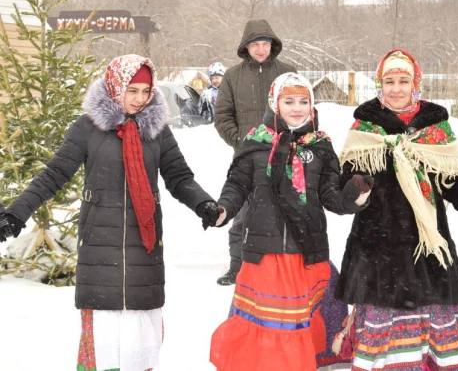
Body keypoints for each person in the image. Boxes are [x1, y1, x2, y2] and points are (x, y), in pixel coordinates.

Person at [0, 54, 220, 371]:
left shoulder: (158, 130)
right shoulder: (88, 127)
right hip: (99, 245)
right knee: (103, 344)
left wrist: (204, 204)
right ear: (115, 86)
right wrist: (16, 213)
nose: (140, 99)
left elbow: (179, 177)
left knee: (139, 340)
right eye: (133, 90)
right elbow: (54, 175)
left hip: (143, 251)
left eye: (146, 91)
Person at [335, 49, 458, 371]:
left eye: (403, 80)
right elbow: (345, 181)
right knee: (384, 325)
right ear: (379, 85)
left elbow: (450, 180)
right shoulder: (366, 128)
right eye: (389, 81)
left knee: (433, 318)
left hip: (428, 247)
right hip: (378, 248)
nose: (396, 88)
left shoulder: (435, 129)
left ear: (415, 83)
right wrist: (355, 187)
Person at [209, 72, 373, 371]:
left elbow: (331, 197)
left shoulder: (321, 146)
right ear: (275, 103)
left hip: (304, 254)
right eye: (289, 101)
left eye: (303, 101)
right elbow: (237, 185)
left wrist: (355, 197)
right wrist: (222, 210)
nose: (296, 108)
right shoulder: (256, 141)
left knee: (293, 327)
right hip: (263, 254)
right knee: (266, 328)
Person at [213, 19, 296, 286]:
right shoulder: (233, 76)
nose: (260, 49)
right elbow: (222, 116)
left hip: (285, 156)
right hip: (247, 158)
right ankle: (237, 267)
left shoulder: (287, 73)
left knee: (288, 212)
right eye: (255, 44)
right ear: (245, 47)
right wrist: (239, 141)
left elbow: (303, 110)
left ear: (272, 45)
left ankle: (287, 268)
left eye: (265, 44)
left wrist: (293, 140)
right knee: (244, 213)